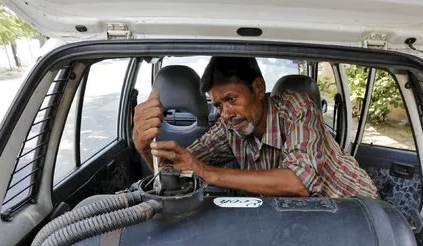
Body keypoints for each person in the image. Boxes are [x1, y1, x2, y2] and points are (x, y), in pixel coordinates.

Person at [132, 56, 378, 199]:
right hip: (304, 215)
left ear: (259, 89)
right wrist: (144, 147)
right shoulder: (229, 127)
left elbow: (300, 183)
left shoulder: (297, 107)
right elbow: (179, 167)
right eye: (218, 104)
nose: (225, 114)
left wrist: (206, 171)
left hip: (354, 207)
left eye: (232, 99)